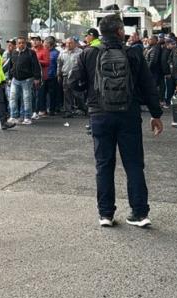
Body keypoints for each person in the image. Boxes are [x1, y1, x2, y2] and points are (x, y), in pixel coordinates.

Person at [70, 14, 164, 228]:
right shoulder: (133, 54)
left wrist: (90, 99)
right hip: (128, 115)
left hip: (99, 115)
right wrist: (156, 114)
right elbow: (148, 86)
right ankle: (140, 213)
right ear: (120, 32)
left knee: (104, 165)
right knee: (134, 165)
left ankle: (106, 214)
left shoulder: (89, 53)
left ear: (100, 32)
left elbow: (73, 82)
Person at [8, 37, 41, 125]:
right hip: (15, 79)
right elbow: (11, 65)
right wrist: (9, 77)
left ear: (25, 43)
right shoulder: (14, 52)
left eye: (23, 43)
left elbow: (36, 65)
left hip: (27, 79)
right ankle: (14, 116)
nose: (21, 44)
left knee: (26, 98)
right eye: (19, 43)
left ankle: (27, 117)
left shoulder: (31, 53)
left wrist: (37, 78)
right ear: (17, 44)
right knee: (12, 98)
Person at [59, 38, 83, 116]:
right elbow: (59, 64)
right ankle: (68, 111)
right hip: (65, 76)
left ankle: (81, 109)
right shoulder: (62, 52)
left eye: (70, 43)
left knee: (78, 93)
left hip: (77, 76)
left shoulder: (80, 52)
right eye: (67, 43)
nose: (68, 45)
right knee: (67, 94)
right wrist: (58, 74)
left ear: (75, 44)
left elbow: (83, 65)